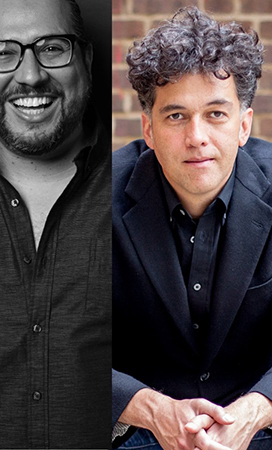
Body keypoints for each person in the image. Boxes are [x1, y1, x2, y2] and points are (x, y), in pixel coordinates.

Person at [0, 0, 111, 447]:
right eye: (2, 51)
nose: (30, 75)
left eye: (52, 47)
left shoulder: (144, 190)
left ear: (87, 59)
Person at [112, 6, 272, 450]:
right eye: (176, 116)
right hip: (139, 434)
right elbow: (61, 342)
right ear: (148, 128)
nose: (196, 136)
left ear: (244, 125)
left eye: (216, 114)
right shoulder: (93, 200)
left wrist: (258, 408)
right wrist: (150, 408)